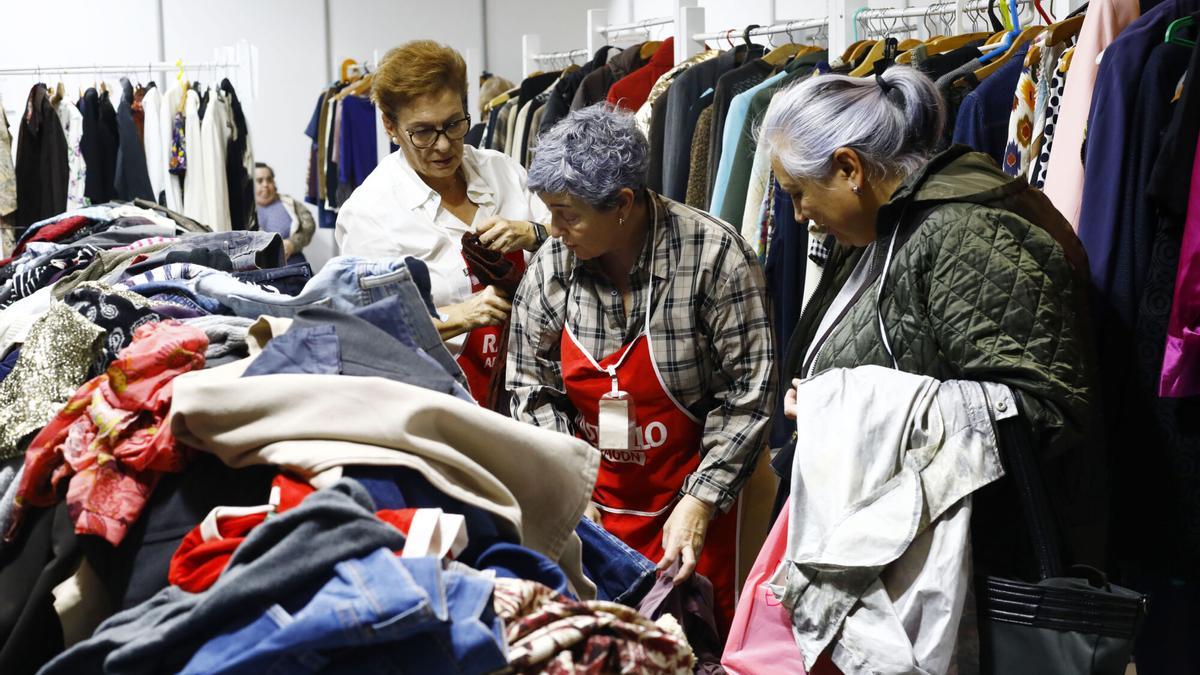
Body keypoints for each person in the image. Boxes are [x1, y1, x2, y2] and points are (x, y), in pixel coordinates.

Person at [761, 66, 1101, 660]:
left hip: (970, 580)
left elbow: (1043, 409)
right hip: (910, 575)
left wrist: (845, 406)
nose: (797, 216)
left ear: (849, 168)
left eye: (797, 193)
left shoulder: (966, 233)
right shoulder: (882, 233)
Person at [508, 105, 777, 633]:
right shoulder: (550, 269)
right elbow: (528, 386)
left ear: (623, 204)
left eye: (568, 213)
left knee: (698, 641)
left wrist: (701, 500)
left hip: (697, 502)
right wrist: (570, 491)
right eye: (548, 211)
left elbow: (750, 392)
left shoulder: (714, 258)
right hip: (596, 509)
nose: (552, 229)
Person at [336, 41, 549, 406]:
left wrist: (534, 234)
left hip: (535, 387)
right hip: (443, 403)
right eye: (422, 132)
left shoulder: (501, 171)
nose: (444, 145)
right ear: (390, 126)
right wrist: (459, 316)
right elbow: (370, 330)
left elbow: (572, 244)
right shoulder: (370, 213)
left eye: (453, 124)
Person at [253, 162, 315, 266]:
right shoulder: (244, 211)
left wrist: (293, 243)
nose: (265, 185)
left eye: (269, 179)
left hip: (294, 265)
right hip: (258, 271)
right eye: (260, 181)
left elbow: (309, 226)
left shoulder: (289, 203)